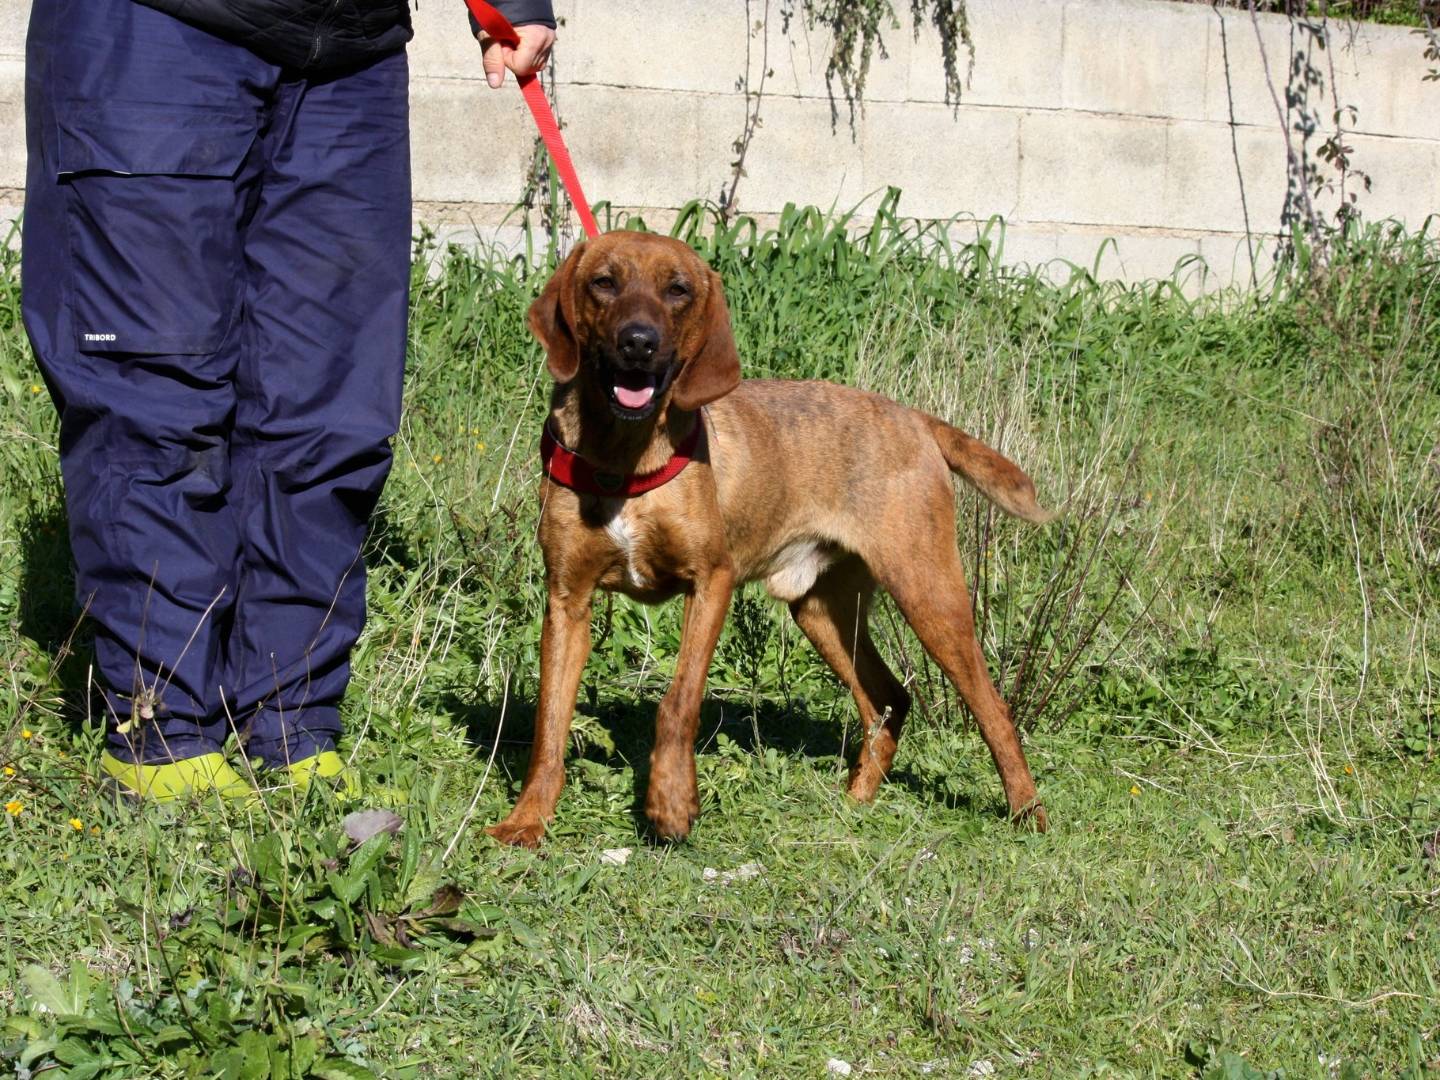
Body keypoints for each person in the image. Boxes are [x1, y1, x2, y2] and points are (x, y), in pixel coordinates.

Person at [22, 0, 556, 800]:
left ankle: (290, 716)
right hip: (158, 29)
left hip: (349, 45)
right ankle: (162, 727)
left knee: (329, 402)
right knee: (156, 388)